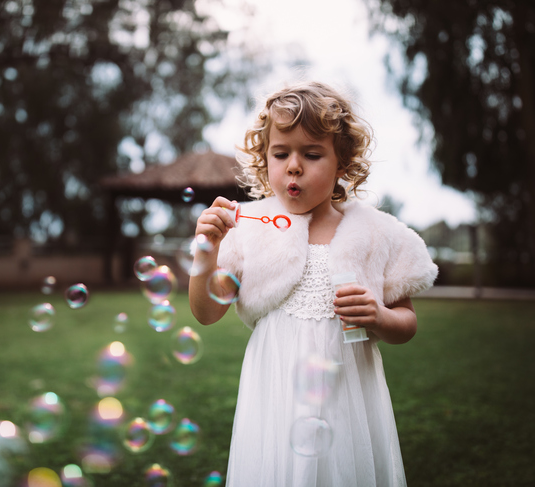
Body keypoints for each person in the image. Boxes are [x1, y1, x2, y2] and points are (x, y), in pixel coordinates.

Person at [188, 81, 438, 486]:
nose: (293, 166)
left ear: (342, 163)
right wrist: (205, 253)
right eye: (281, 153)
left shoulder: (374, 233)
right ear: (264, 158)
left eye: (312, 153)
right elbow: (206, 312)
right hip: (275, 393)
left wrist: (379, 316)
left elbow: (406, 322)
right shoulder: (247, 229)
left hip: (349, 396)